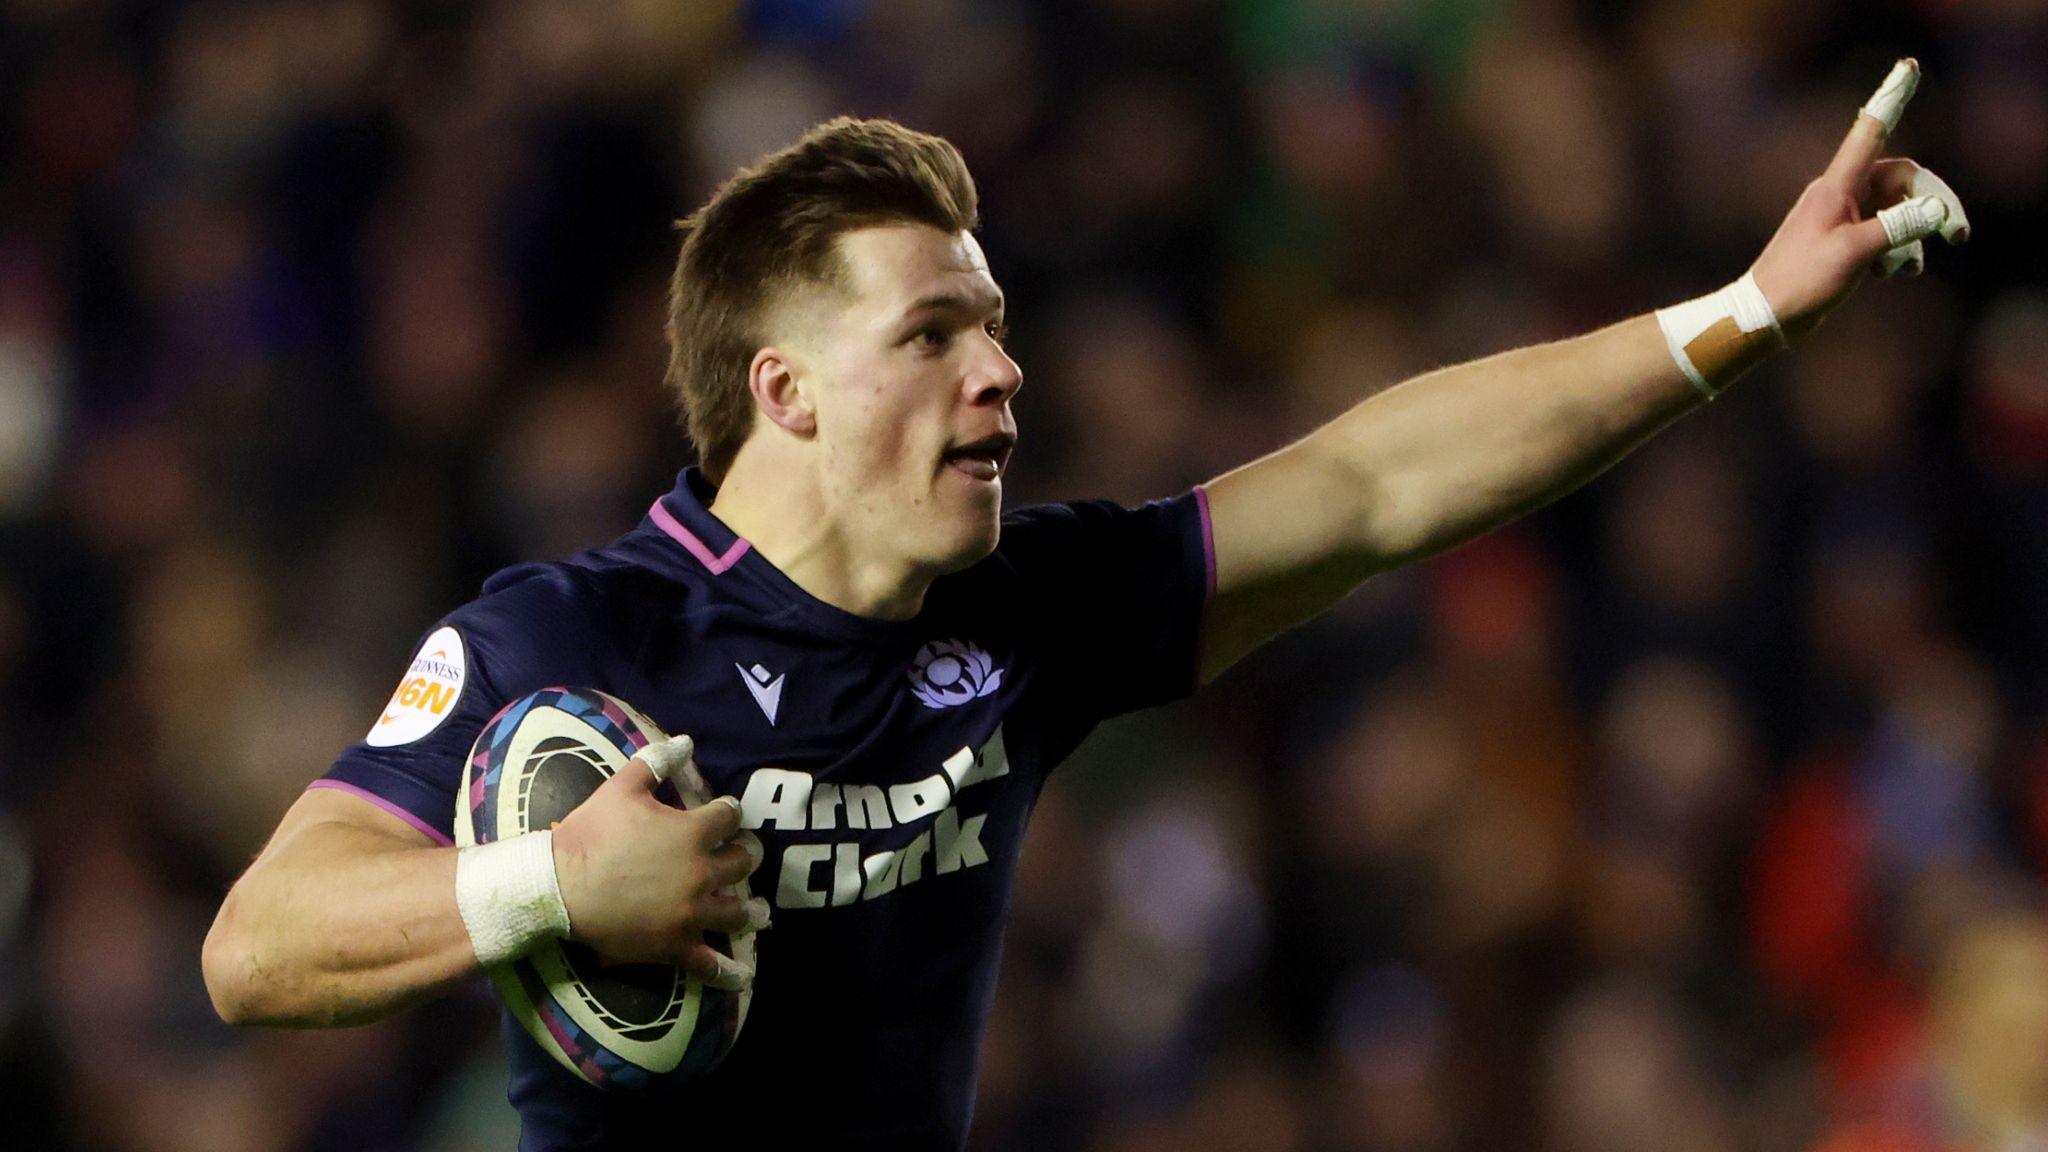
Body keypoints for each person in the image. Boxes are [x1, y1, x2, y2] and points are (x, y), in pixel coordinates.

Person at [202, 61, 1963, 1150]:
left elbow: (1375, 479)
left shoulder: (1031, 609)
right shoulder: (573, 639)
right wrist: (553, 885)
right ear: (785, 393)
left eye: (994, 325)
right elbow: (256, 948)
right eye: (935, 336)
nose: (1003, 374)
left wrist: (1745, 309)